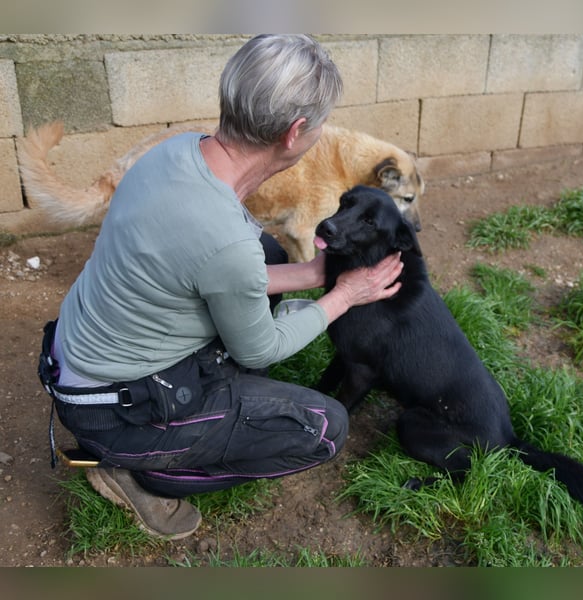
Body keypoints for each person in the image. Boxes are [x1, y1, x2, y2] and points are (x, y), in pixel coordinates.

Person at [36, 34, 403, 540]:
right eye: (321, 124)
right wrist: (343, 297)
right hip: (114, 410)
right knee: (324, 429)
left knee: (271, 255)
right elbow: (262, 341)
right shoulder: (224, 239)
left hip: (83, 357)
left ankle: (209, 410)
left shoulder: (178, 149)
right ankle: (138, 472)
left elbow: (214, 268)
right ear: (296, 133)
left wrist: (314, 274)